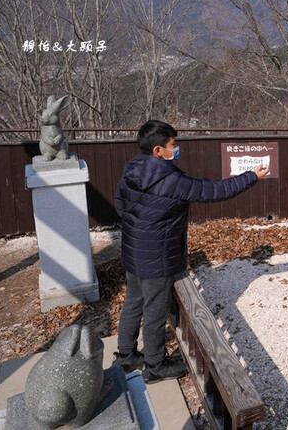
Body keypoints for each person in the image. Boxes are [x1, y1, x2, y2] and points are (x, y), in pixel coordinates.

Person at [113, 120, 269, 383]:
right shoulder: (171, 180)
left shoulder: (133, 168)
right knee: (155, 311)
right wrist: (252, 176)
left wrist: (141, 226)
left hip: (133, 250)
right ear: (158, 151)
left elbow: (120, 205)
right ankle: (155, 365)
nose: (176, 149)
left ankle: (127, 356)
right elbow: (215, 190)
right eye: (172, 145)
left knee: (134, 301)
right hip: (157, 257)